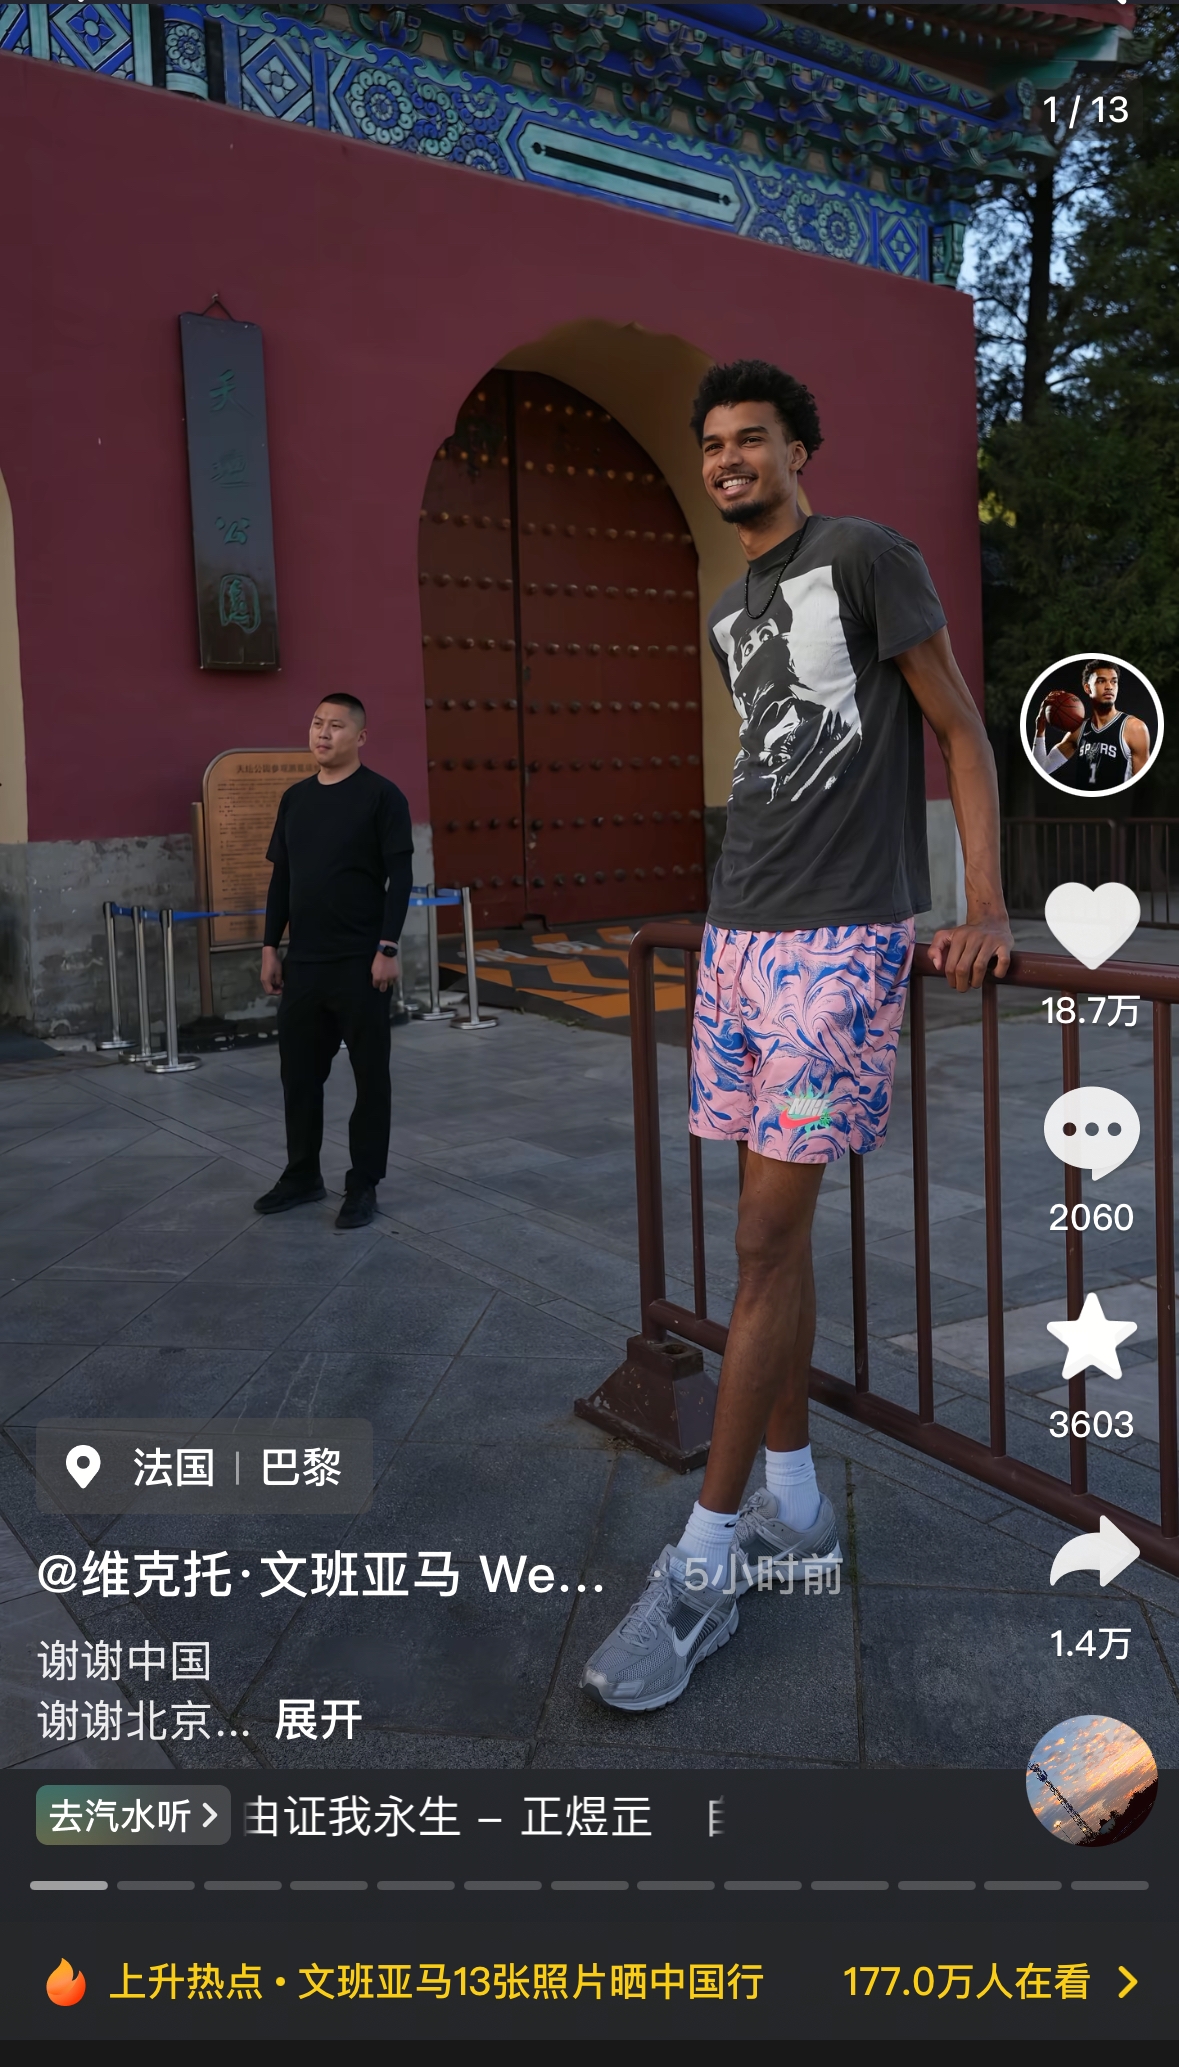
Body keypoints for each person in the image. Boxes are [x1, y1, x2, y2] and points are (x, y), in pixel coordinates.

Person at [581, 358, 1013, 1712]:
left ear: (797, 449)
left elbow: (957, 728)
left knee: (763, 1244)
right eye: (711, 442)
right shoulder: (731, 611)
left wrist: (984, 903)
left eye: (750, 438)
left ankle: (704, 1564)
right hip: (738, 945)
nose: (727, 458)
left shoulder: (867, 557)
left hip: (839, 953)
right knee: (765, 1235)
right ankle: (794, 1499)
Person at [254, 693, 413, 1230]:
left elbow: (400, 878)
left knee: (370, 1077)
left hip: (360, 963)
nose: (323, 733)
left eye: (336, 726)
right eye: (317, 723)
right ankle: (301, 1174)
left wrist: (387, 947)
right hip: (304, 963)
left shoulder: (382, 797)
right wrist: (270, 947)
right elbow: (282, 878)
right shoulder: (295, 799)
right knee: (299, 1076)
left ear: (360, 737)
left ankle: (363, 1183)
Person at [1034, 660, 1150, 789]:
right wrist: (1040, 728)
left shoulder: (1134, 728)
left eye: (1114, 681)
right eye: (1101, 681)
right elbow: (1042, 768)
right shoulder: (1079, 731)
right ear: (1087, 688)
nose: (1109, 686)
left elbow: (1143, 786)